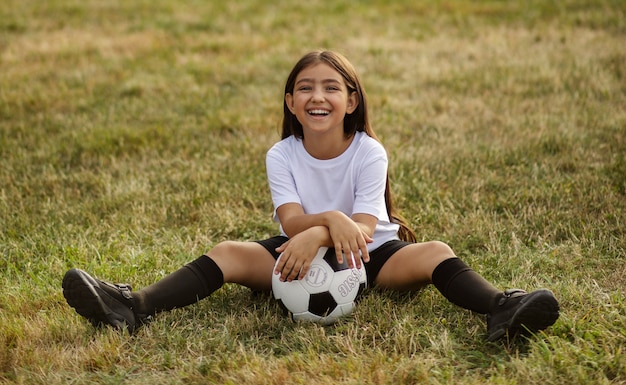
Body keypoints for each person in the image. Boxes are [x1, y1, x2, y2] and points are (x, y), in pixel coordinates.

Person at [62, 50, 559, 342]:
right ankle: (132, 305)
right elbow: (290, 219)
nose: (317, 96)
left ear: (351, 100)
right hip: (297, 257)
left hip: (372, 255)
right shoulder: (282, 154)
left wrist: (326, 230)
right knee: (228, 253)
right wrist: (321, 228)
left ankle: (501, 307)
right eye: (305, 88)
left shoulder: (369, 151)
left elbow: (364, 228)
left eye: (330, 87)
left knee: (435, 253)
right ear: (291, 104)